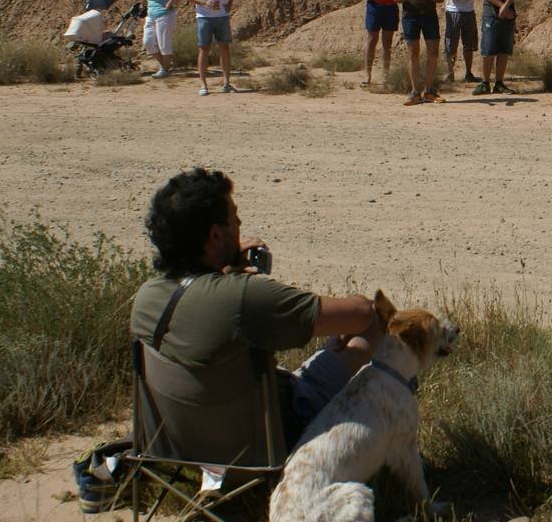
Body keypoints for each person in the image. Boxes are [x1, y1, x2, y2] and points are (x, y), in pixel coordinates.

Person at [131, 168, 386, 447]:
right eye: (233, 217)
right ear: (215, 236)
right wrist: (240, 280)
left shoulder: (146, 299)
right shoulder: (243, 296)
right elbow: (362, 313)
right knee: (376, 322)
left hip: (181, 444)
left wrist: (227, 271)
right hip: (268, 441)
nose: (239, 222)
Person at [183, 0, 238, 97]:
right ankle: (203, 84)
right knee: (204, 49)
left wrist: (229, 1)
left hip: (222, 15)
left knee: (224, 48)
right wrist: (204, 2)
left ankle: (226, 82)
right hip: (204, 16)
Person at [393, 0, 445, 106]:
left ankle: (429, 91)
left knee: (433, 53)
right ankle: (415, 92)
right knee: (413, 53)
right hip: (411, 17)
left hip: (430, 16)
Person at [442, 0, 481, 84]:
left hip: (468, 12)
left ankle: (468, 73)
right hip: (453, 12)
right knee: (451, 44)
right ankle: (450, 73)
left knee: (469, 44)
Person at [143, 0, 180, 79]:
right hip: (150, 16)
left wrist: (170, 3)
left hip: (164, 16)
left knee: (164, 45)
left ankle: (164, 69)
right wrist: (142, 5)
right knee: (148, 42)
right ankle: (165, 65)